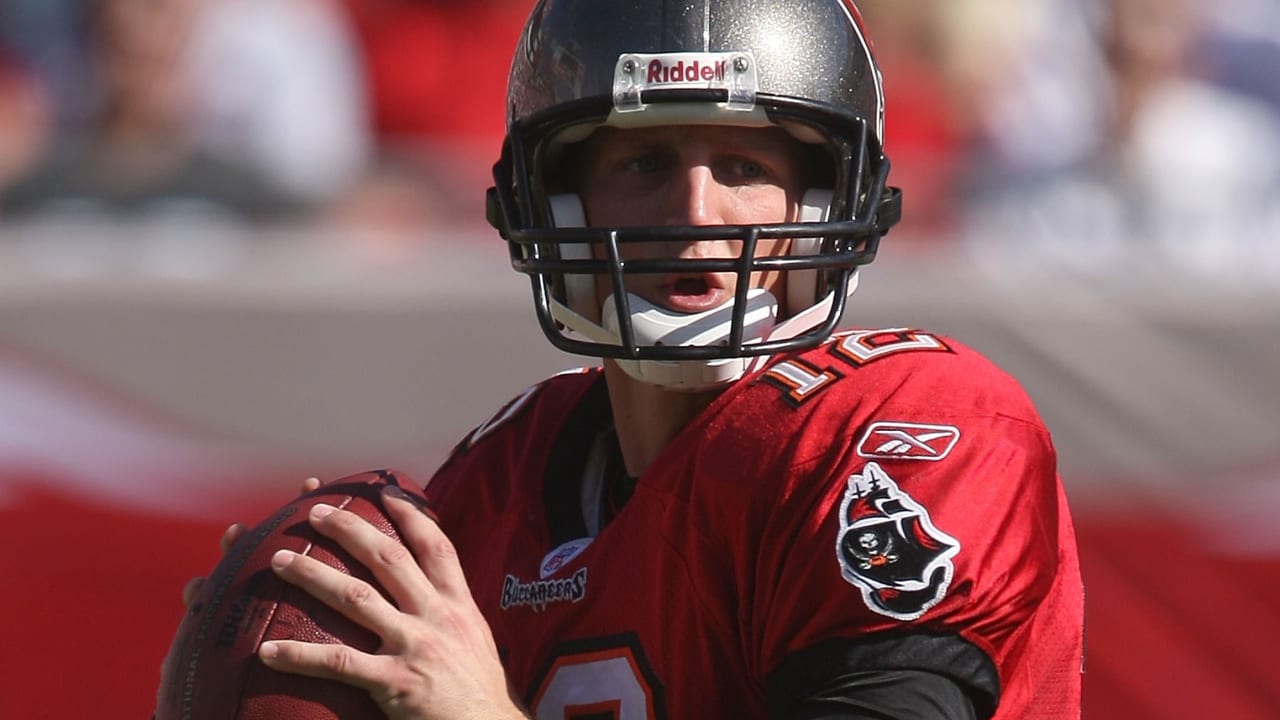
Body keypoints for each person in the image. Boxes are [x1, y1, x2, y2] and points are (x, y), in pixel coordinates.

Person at [172, 1, 1084, 717]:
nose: (695, 213)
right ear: (553, 207)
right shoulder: (498, 480)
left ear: (824, 207)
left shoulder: (910, 429)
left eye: (740, 166)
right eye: (643, 163)